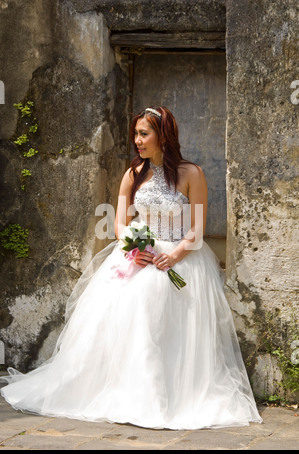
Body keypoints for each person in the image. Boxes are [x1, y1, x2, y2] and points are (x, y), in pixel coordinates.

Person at [0, 106, 262, 429]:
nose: (137, 140)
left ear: (163, 135)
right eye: (135, 134)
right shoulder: (131, 175)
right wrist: (134, 248)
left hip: (181, 258)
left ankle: (169, 394)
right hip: (138, 256)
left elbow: (198, 229)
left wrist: (174, 256)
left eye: (144, 133)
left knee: (159, 301)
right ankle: (125, 390)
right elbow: (120, 224)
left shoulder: (191, 174)